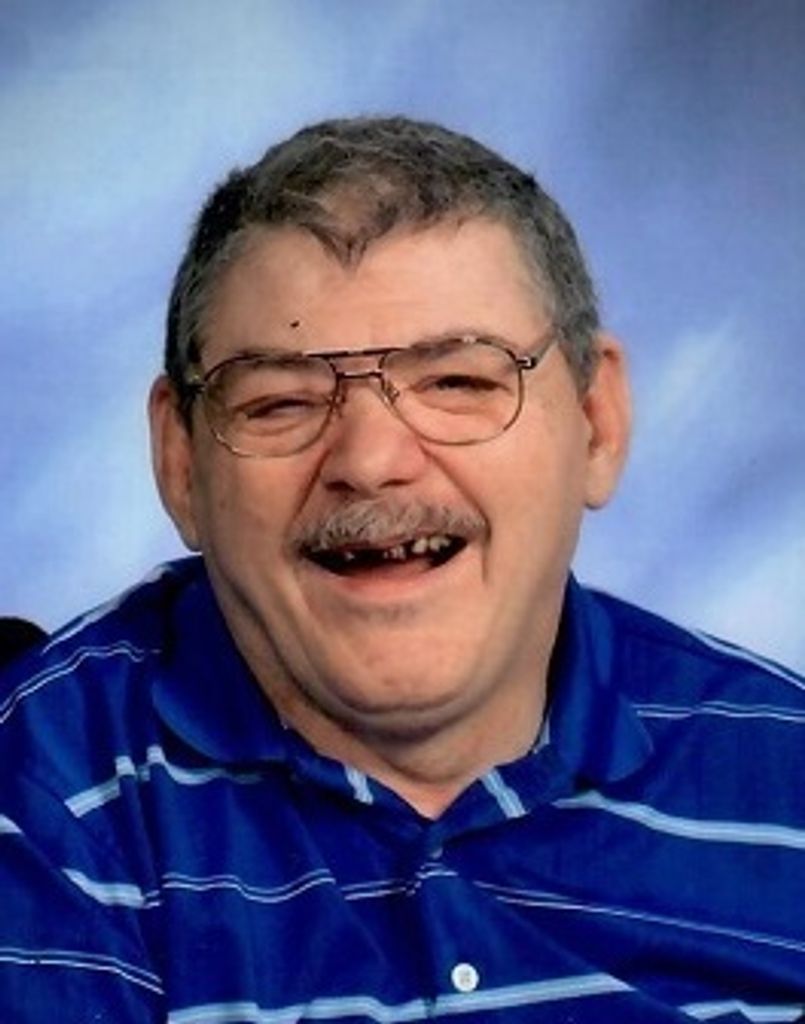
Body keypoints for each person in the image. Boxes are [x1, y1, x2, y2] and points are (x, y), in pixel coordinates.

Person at [1, 116, 804, 1023]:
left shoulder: (788, 777)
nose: (372, 460)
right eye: (280, 401)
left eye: (457, 382)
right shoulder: (41, 797)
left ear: (596, 424)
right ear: (181, 462)